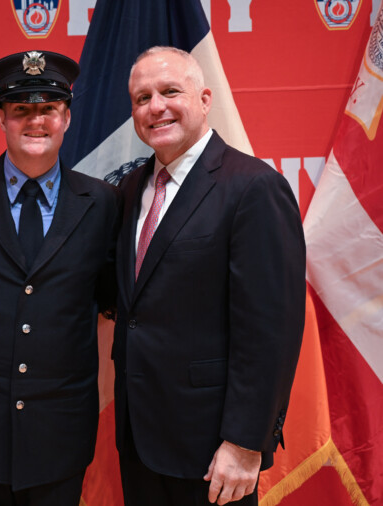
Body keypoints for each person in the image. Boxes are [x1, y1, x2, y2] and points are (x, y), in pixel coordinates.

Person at [0, 50, 121, 505]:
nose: (36, 121)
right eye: (22, 111)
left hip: (59, 437)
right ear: (2, 118)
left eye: (48, 108)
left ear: (67, 117)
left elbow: (108, 296)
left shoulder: (103, 202)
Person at [113, 46, 306, 506]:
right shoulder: (129, 189)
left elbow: (271, 331)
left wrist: (245, 443)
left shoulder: (254, 187)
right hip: (139, 439)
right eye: (142, 98)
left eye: (169, 91)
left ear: (204, 99)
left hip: (213, 451)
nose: (155, 107)